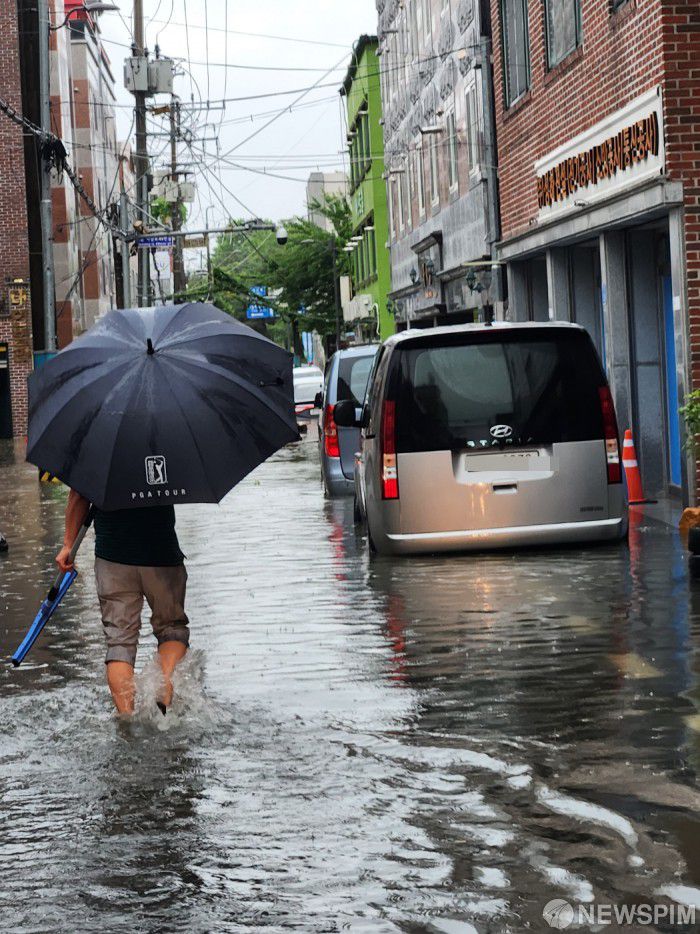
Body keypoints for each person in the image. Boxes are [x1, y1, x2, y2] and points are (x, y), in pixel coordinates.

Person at [56, 490, 190, 716]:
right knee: (172, 630)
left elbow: (80, 496)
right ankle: (164, 681)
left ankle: (127, 720)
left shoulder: (97, 454)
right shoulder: (169, 453)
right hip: (161, 554)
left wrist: (69, 543)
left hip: (113, 558)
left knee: (120, 643)